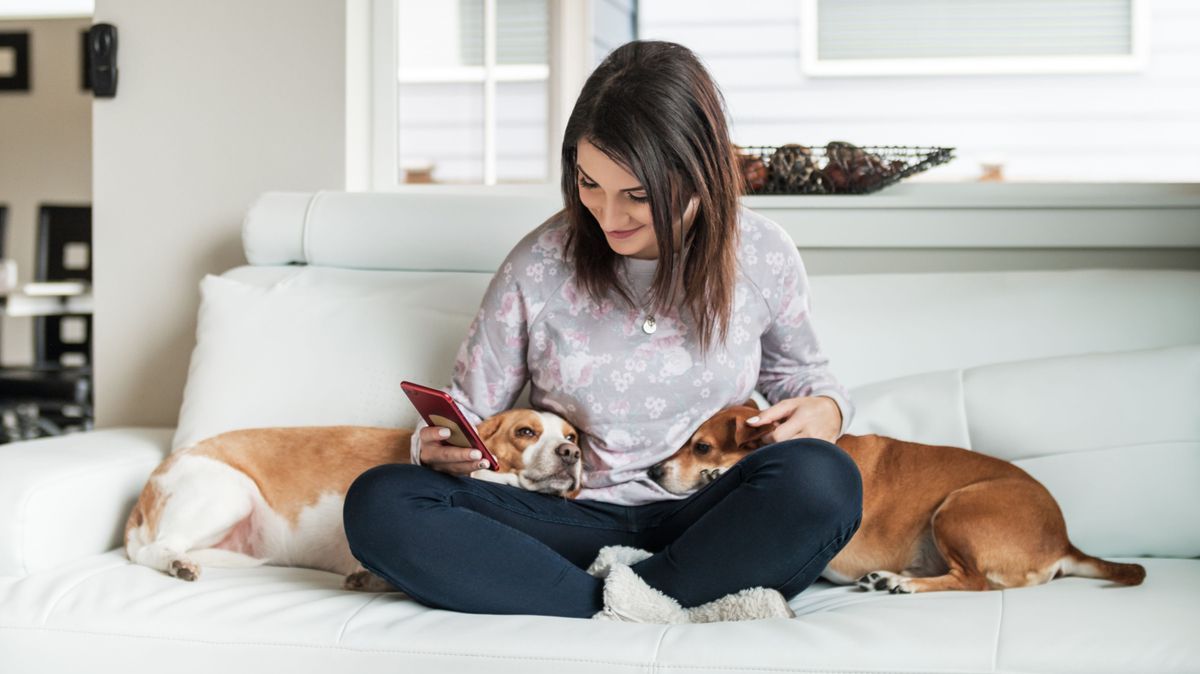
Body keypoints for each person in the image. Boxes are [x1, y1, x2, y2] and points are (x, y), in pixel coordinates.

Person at [343, 40, 863, 623]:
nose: (607, 218)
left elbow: (802, 376)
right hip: (564, 519)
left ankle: (601, 598)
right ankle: (641, 605)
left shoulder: (762, 255)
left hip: (707, 517)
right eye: (589, 184)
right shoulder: (539, 262)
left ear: (698, 176)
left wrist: (826, 411)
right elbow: (469, 410)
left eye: (637, 196)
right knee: (382, 501)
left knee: (825, 479)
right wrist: (436, 447)